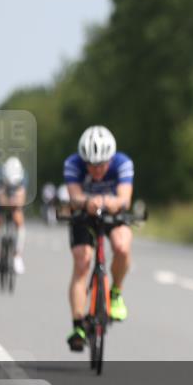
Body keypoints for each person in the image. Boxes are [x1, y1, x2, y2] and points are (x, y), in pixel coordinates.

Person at [63, 125, 134, 351]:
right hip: (84, 214)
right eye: (91, 166)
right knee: (82, 261)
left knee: (122, 246)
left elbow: (125, 199)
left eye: (101, 165)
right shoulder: (72, 163)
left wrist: (112, 203)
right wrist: (86, 203)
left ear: (110, 159)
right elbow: (74, 197)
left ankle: (116, 293)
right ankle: (78, 325)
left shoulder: (123, 162)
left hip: (113, 214)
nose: (96, 171)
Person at [0, 156, 28, 274]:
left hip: (14, 194)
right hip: (0, 194)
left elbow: (21, 197)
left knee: (19, 219)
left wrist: (15, 205)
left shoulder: (23, 176)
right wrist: (7, 203)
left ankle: (18, 256)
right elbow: (0, 199)